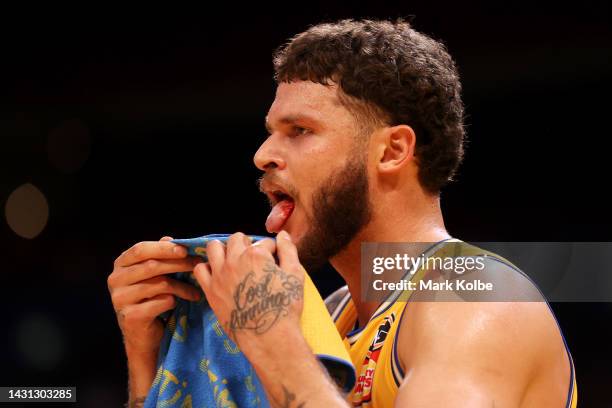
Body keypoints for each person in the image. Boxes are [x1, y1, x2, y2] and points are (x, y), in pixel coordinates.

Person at [108, 19, 577, 407]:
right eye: (271, 131)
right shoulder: (329, 316)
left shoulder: (479, 300)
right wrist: (147, 365)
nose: (263, 154)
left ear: (392, 150)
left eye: (300, 130)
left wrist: (274, 343)